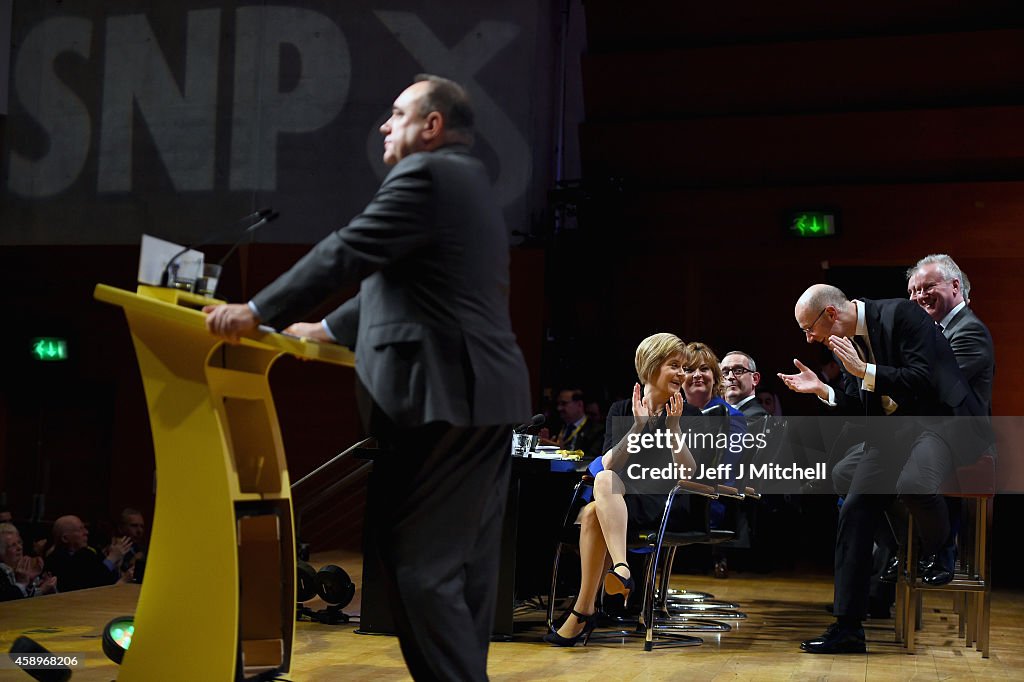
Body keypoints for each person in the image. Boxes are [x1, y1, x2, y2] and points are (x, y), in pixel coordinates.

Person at [204, 75, 530, 680]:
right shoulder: (469, 182)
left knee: (418, 570)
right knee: (461, 573)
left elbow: (348, 249)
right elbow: (402, 282)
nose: (384, 124)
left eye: (397, 112)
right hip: (481, 395)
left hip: (443, 398)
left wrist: (256, 312)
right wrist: (325, 329)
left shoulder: (425, 175)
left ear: (431, 125)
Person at [778, 283, 986, 654]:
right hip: (895, 434)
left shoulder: (901, 314)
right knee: (854, 509)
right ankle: (848, 627)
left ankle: (940, 547)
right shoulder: (846, 341)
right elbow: (862, 407)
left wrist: (864, 370)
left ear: (830, 314)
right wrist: (823, 390)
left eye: (809, 328)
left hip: (939, 422)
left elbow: (923, 380)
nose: (809, 339)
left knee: (913, 482)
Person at [544, 333, 696, 647]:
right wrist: (637, 428)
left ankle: (585, 610)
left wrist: (675, 428)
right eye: (674, 365)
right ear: (651, 366)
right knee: (601, 488)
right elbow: (607, 464)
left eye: (684, 366)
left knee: (592, 511)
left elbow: (687, 473)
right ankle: (620, 571)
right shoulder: (622, 409)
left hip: (663, 502)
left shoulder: (688, 413)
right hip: (619, 500)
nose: (683, 373)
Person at [896, 254, 994, 584]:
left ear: (955, 286)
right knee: (851, 473)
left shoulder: (969, 332)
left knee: (911, 482)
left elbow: (935, 391)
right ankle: (900, 549)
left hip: (958, 435)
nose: (918, 296)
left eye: (927, 286)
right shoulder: (928, 331)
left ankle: (940, 549)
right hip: (928, 432)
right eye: (912, 291)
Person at [43, 516, 132, 592]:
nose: (86, 532)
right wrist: (112, 558)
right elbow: (95, 584)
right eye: (80, 529)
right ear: (65, 538)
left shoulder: (89, 553)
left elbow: (107, 577)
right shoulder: (56, 560)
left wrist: (117, 563)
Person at [539, 389, 605, 460]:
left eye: (564, 403)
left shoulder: (597, 430)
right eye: (558, 404)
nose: (559, 408)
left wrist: (564, 455)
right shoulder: (555, 427)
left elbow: (592, 459)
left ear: (579, 405)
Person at [1, 523, 56, 600]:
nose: (19, 547)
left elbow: (26, 598)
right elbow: (8, 602)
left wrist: (30, 582)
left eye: (19, 542)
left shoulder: (26, 566)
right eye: (13, 545)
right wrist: (22, 583)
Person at [721, 350, 767, 422]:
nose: (730, 377)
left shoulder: (758, 417)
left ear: (755, 379)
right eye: (725, 373)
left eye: (738, 371)